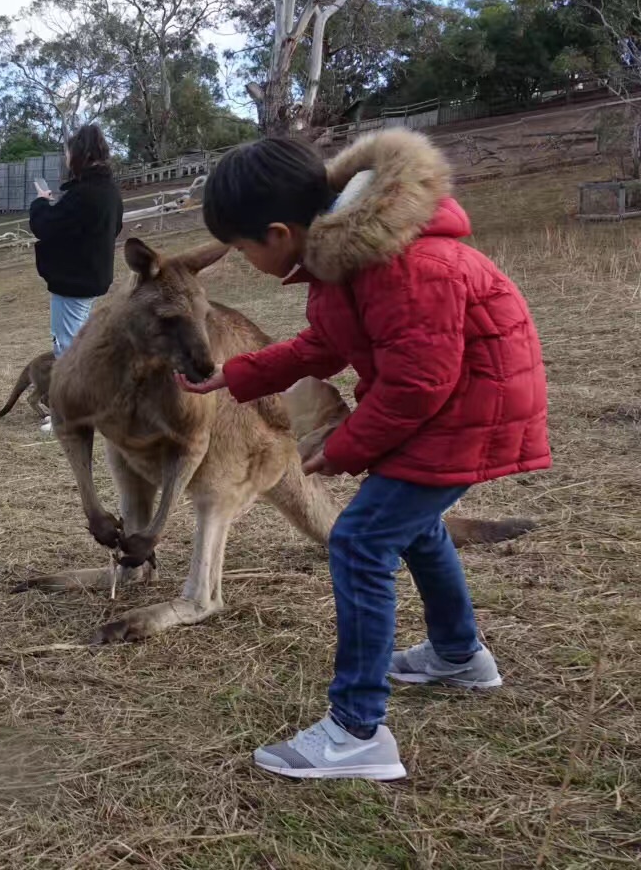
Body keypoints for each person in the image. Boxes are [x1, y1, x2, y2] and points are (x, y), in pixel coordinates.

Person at [178, 130, 549, 781]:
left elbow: (419, 383)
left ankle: (357, 731)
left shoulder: (400, 266)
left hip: (467, 411)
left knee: (358, 540)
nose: (243, 260)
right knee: (416, 529)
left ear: (278, 233)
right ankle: (458, 655)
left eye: (241, 249)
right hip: (452, 407)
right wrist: (234, 376)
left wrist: (346, 447)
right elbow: (322, 347)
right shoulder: (345, 258)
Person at [28, 124, 124, 431]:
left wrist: (41, 201)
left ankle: (69, 416)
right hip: (93, 278)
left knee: (67, 348)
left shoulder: (84, 194)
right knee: (80, 344)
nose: (66, 158)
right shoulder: (108, 191)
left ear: (80, 154)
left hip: (73, 283)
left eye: (68, 152)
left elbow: (46, 225)